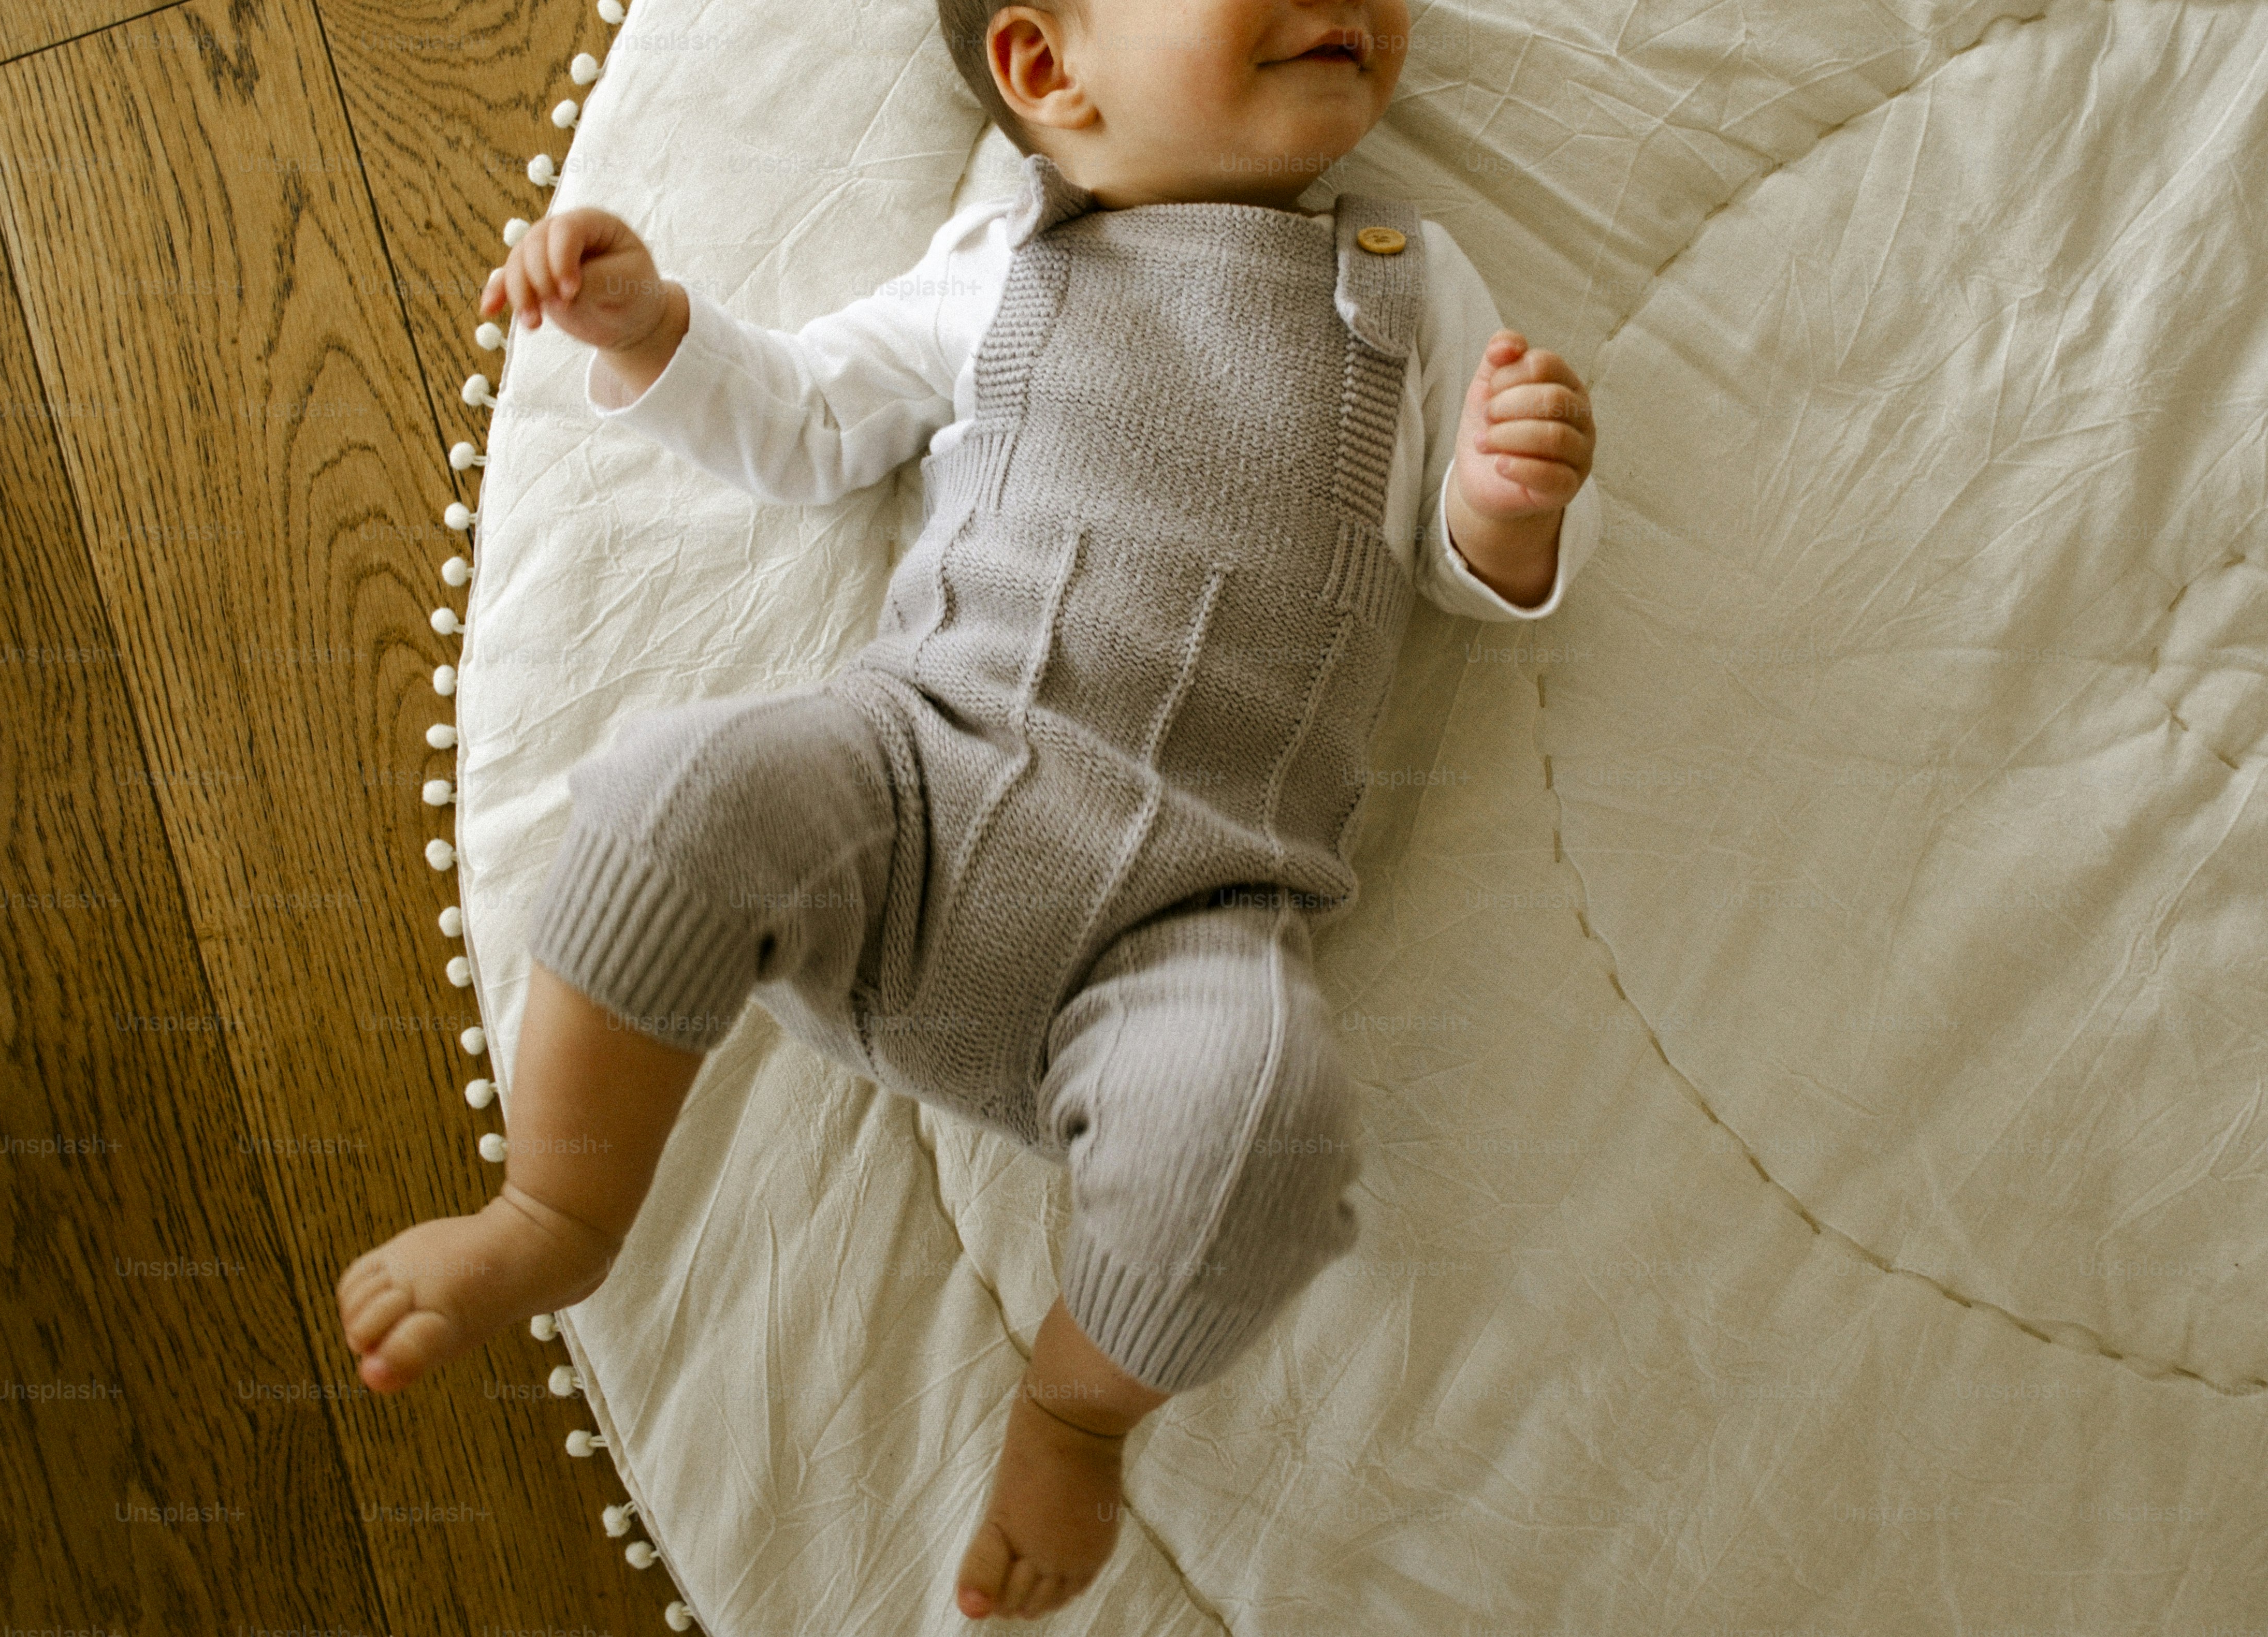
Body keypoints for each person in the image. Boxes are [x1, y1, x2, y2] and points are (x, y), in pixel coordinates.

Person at [338, 0, 1600, 1620]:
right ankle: (557, 1203)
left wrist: (1503, 504)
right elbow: (805, 424)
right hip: (910, 788)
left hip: (1192, 923)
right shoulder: (1008, 260)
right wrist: (654, 328)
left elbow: (1461, 570)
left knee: (1268, 1125)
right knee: (680, 781)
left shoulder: (1402, 281)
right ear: (1044, 71)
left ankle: (1077, 1407)